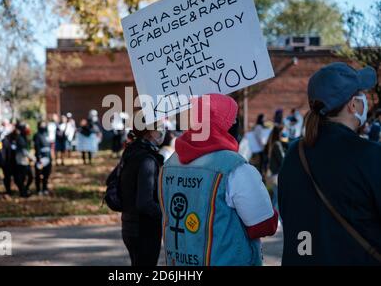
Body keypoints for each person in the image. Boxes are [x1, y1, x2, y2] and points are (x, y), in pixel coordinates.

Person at [279, 62, 381, 266]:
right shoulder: (369, 155)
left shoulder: (294, 153)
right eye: (362, 94)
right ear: (353, 105)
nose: (366, 101)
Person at [159, 94, 278, 266]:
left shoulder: (170, 163)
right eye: (233, 119)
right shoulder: (235, 168)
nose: (235, 124)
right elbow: (264, 224)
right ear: (224, 125)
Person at [120, 119, 165, 266]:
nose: (162, 131)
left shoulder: (131, 152)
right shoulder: (147, 160)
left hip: (129, 225)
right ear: (150, 132)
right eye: (159, 127)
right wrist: (165, 214)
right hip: (144, 230)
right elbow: (145, 203)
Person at [265, 126, 286, 213]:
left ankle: (272, 217)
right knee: (278, 199)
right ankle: (275, 219)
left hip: (271, 175)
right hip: (276, 175)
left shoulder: (270, 144)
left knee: (275, 198)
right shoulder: (277, 144)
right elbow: (282, 160)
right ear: (279, 133)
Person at [33, 121, 52, 195]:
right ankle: (38, 190)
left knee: (46, 174)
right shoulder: (37, 135)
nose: (43, 127)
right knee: (38, 175)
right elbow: (37, 147)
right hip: (41, 159)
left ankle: (45, 188)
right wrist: (39, 157)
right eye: (42, 125)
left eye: (44, 125)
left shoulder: (46, 134)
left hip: (48, 157)